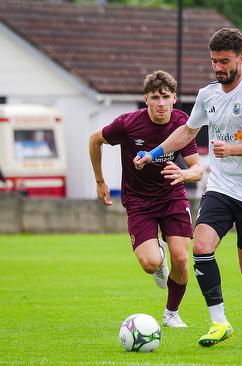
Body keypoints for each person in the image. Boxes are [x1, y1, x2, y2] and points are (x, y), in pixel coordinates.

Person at [135, 28, 242, 346]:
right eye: (214, 61)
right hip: (220, 186)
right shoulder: (208, 94)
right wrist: (153, 154)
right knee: (202, 247)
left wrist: (232, 149)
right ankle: (219, 322)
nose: (218, 68)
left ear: (241, 59)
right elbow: (187, 133)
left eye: (225, 61)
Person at [89, 70, 203, 328]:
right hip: (139, 202)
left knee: (182, 259)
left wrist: (183, 173)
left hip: (172, 197)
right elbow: (95, 140)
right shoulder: (128, 124)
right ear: (146, 100)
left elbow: (198, 170)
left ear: (174, 98)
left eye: (165, 97)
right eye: (155, 97)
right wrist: (100, 180)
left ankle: (171, 313)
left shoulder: (182, 123)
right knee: (150, 264)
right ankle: (157, 256)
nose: (161, 103)